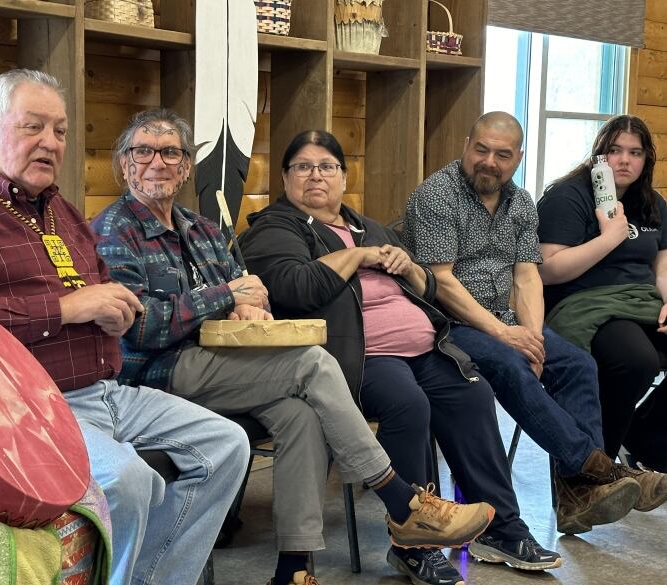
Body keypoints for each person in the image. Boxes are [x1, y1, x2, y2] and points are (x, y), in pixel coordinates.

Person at [91, 107, 495, 585]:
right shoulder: (113, 230)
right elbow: (139, 328)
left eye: (171, 153)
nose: (156, 163)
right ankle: (401, 501)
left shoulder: (201, 229)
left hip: (224, 359)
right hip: (158, 372)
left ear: (184, 168)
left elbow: (245, 284)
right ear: (124, 164)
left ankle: (294, 569)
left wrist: (248, 303)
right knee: (311, 364)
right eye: (143, 152)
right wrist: (224, 297)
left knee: (301, 414)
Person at [0, 69, 252, 585]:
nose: (50, 142)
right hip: (22, 406)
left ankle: (151, 578)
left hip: (107, 391)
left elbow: (104, 289)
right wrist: (67, 309)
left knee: (227, 444)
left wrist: (117, 308)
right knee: (131, 481)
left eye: (60, 131)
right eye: (32, 127)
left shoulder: (62, 210)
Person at [238, 129, 563, 584]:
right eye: (303, 167)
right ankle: (416, 544)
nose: (316, 176)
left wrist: (408, 266)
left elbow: (429, 289)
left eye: (327, 166)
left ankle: (502, 529)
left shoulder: (364, 225)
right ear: (286, 177)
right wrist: (360, 258)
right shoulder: (276, 227)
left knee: (473, 393)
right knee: (408, 402)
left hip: (424, 348)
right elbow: (295, 287)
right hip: (354, 358)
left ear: (342, 176)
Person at [403, 111, 667, 535]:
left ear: (518, 158)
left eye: (502, 154)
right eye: (481, 149)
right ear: (466, 145)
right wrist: (505, 334)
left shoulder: (520, 202)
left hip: (505, 317)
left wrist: (531, 335)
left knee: (578, 364)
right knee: (511, 365)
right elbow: (442, 282)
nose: (489, 161)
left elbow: (527, 275)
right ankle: (594, 469)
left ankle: (576, 495)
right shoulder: (437, 195)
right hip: (447, 323)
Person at [537, 115, 667, 475]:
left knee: (643, 358)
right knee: (638, 362)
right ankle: (597, 466)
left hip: (641, 302)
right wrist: (609, 237)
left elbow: (662, 267)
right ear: (599, 156)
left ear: (646, 160)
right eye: (615, 150)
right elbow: (546, 269)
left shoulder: (651, 202)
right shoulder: (568, 196)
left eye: (635, 152)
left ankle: (644, 440)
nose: (625, 160)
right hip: (584, 302)